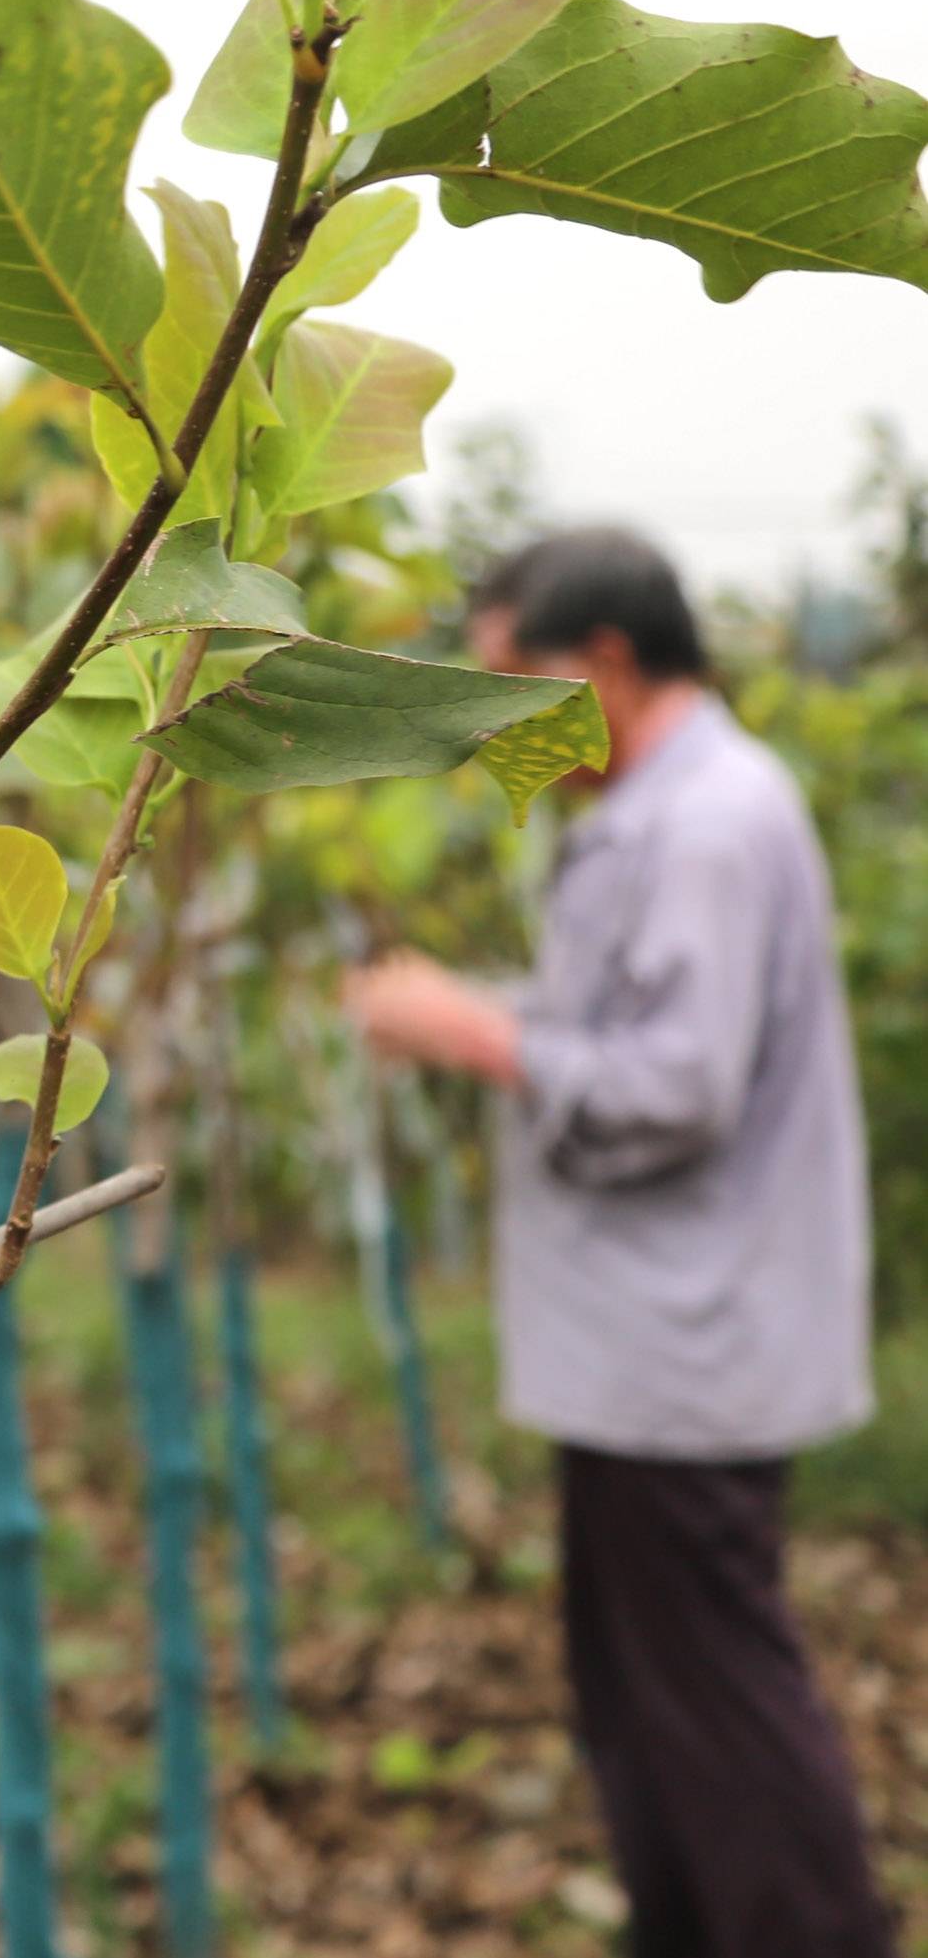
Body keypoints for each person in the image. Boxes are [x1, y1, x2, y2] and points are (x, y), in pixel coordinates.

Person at [344, 526, 890, 1957]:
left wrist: (467, 1029)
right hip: (651, 1349)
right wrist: (495, 1010)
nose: (489, 724)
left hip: (684, 1351)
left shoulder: (706, 822)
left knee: (712, 1701)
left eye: (503, 686)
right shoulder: (664, 806)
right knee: (647, 1702)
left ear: (596, 665)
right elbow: (625, 1019)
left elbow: (678, 1082)